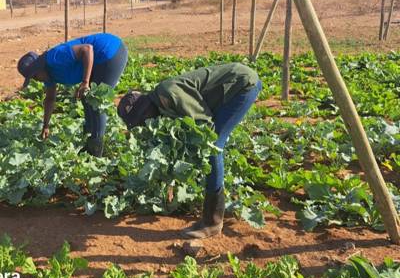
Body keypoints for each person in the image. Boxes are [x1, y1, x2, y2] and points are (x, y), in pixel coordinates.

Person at [117, 62, 262, 239]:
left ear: (146, 109)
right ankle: (213, 210)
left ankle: (212, 222)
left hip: (241, 85)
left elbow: (203, 125)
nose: (146, 124)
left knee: (212, 145)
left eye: (143, 119)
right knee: (209, 145)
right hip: (226, 90)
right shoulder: (159, 106)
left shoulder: (168, 94)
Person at [17, 33, 128, 157]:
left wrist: (85, 82)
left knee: (96, 100)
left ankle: (96, 151)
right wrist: (46, 126)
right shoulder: (47, 76)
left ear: (39, 67)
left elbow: (87, 49)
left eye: (34, 76)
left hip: (110, 51)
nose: (36, 80)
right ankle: (89, 141)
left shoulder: (54, 57)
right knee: (86, 98)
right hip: (99, 59)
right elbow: (50, 99)